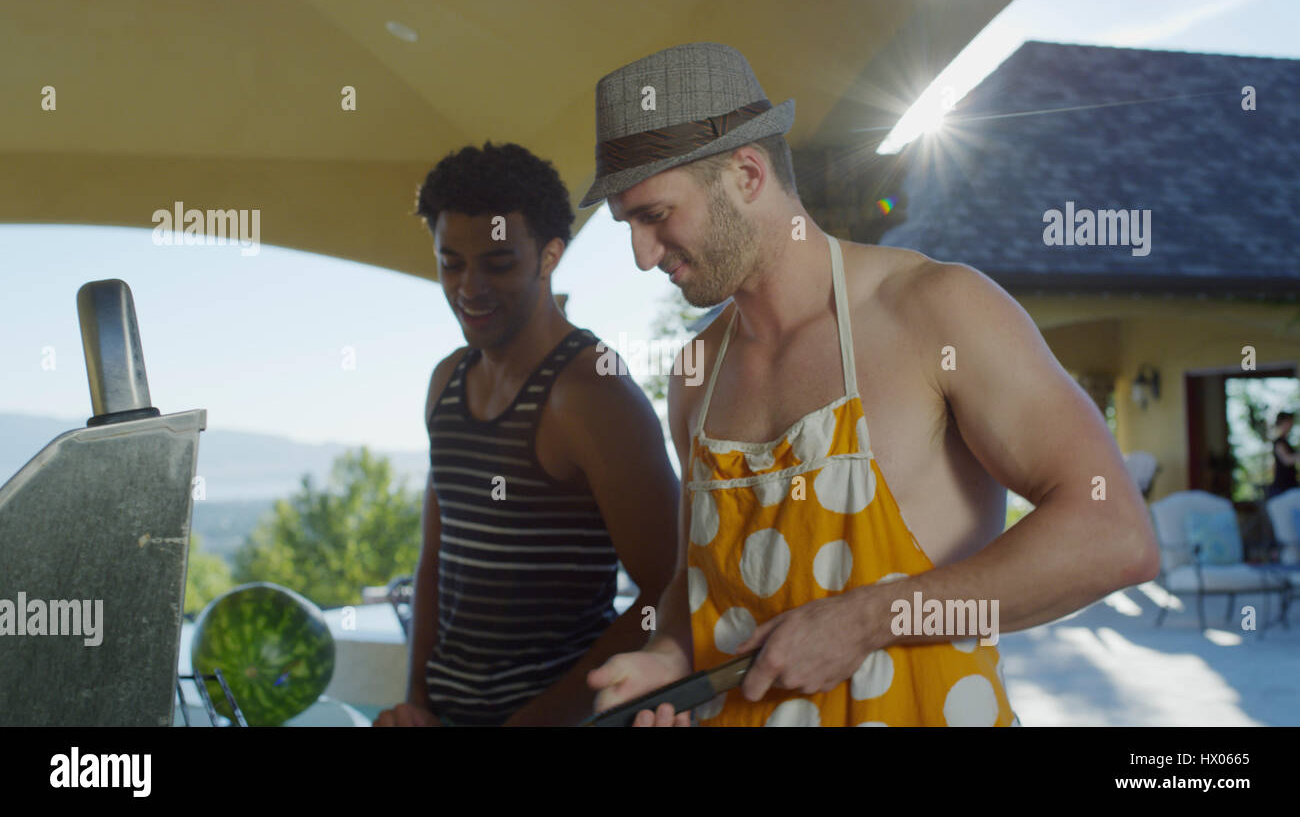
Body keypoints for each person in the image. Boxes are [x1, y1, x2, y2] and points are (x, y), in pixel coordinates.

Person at [583, 43, 1161, 726]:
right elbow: (697, 579)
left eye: (654, 216)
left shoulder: (935, 308)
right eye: (628, 226)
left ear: (746, 174)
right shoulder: (695, 374)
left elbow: (1116, 534)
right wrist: (668, 658)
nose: (642, 256)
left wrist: (871, 617)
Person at [373, 142, 678, 726]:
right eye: (451, 262)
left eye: (498, 262)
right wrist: (416, 703)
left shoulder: (594, 393)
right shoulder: (447, 381)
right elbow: (437, 560)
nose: (469, 287)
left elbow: (666, 595)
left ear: (549, 256)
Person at [1267, 411, 1297, 499]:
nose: (1291, 424)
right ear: (1283, 422)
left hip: (1289, 485)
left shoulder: (1285, 441)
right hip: (1282, 488)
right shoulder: (1279, 442)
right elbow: (1287, 460)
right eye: (1289, 421)